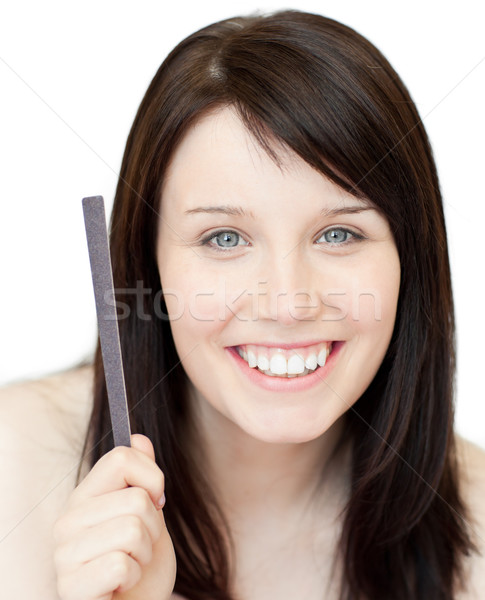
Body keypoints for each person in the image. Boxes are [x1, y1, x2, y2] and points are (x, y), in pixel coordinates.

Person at [1, 9, 484, 600]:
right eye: (224, 238)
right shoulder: (13, 467)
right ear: (147, 267)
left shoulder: (478, 529)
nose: (286, 303)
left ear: (411, 260)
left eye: (338, 234)